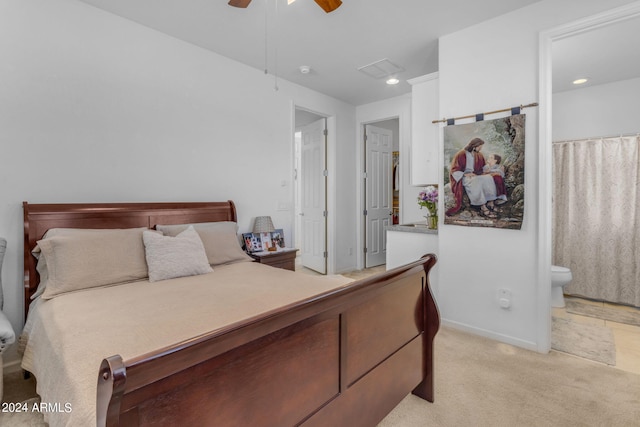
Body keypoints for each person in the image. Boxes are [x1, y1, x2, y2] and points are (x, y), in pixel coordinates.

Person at [446, 137, 501, 218]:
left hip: (475, 175)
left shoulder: (479, 154)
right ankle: (483, 206)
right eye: (480, 146)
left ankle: (490, 202)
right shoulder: (461, 154)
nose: (480, 148)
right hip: (464, 177)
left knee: (488, 178)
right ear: (474, 145)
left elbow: (483, 167)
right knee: (476, 181)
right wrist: (465, 174)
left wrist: (488, 168)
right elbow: (454, 170)